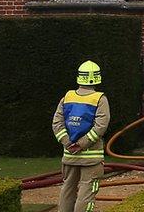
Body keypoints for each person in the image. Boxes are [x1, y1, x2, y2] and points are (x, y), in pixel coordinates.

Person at [52, 60, 111, 212]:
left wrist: (68, 143)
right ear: (97, 78)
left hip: (69, 156)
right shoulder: (100, 99)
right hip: (91, 159)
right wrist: (82, 144)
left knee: (67, 189)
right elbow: (100, 126)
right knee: (87, 192)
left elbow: (57, 124)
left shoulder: (67, 97)